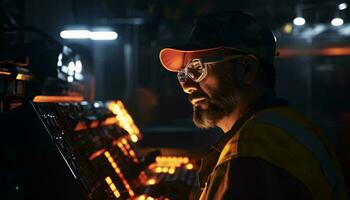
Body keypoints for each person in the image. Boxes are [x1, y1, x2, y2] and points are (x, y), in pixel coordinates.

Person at [151, 11, 349, 200]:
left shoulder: (249, 151)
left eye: (197, 69)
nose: (186, 86)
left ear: (247, 69)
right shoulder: (286, 126)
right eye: (183, 74)